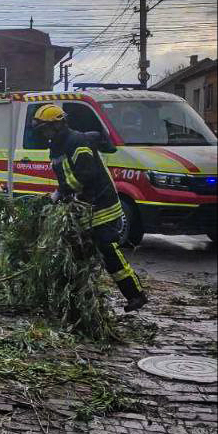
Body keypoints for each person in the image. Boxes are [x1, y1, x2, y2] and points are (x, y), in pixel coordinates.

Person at [31, 104, 148, 312]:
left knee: (107, 250)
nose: (44, 134)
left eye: (46, 129)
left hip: (101, 205)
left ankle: (135, 295)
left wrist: (61, 193)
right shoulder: (57, 146)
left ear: (57, 126)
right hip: (82, 207)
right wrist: (62, 196)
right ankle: (79, 299)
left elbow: (86, 174)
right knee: (76, 253)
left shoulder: (76, 142)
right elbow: (66, 175)